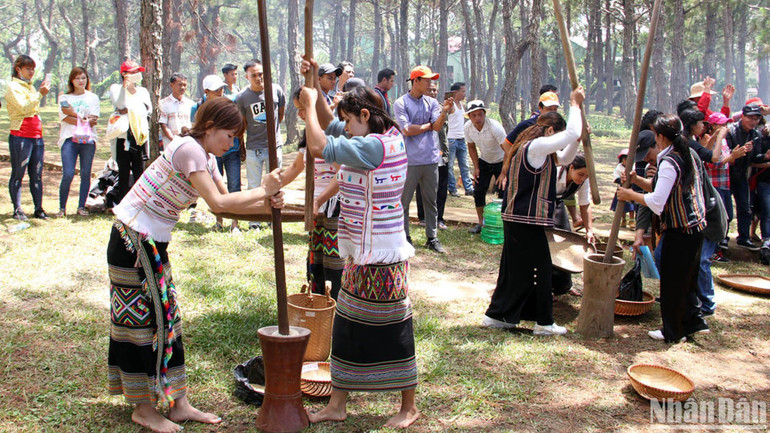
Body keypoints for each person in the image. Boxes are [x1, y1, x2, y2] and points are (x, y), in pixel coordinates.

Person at [107, 97, 284, 433]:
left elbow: (226, 207)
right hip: (133, 239)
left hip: (151, 242)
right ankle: (143, 408)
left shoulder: (207, 158)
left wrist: (267, 201)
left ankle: (179, 403)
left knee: (168, 318)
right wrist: (263, 190)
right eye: (230, 135)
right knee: (143, 324)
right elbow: (218, 202)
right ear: (210, 128)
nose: (232, 143)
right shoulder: (189, 148)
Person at [301, 81, 420, 429]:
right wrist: (315, 87)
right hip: (361, 255)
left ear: (365, 115)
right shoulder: (380, 135)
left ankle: (409, 407)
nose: (346, 128)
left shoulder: (374, 146)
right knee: (347, 326)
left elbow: (318, 144)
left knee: (394, 330)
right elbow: (330, 125)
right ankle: (337, 404)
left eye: (350, 121)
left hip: (384, 259)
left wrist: (308, 105)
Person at [482, 87, 585, 336]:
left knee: (518, 269)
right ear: (549, 131)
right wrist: (575, 104)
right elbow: (571, 132)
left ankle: (499, 316)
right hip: (524, 219)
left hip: (522, 218)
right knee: (540, 267)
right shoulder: (536, 146)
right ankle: (544, 322)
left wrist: (577, 140)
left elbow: (565, 158)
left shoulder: (537, 149)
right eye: (557, 136)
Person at [617, 114, 710, 343]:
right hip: (694, 226)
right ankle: (692, 322)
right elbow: (659, 186)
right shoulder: (685, 153)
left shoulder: (669, 161)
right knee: (686, 280)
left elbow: (658, 201)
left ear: (659, 136)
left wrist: (630, 195)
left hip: (681, 230)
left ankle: (673, 331)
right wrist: (637, 180)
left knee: (672, 282)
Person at [393, 66, 452, 253]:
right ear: (415, 81)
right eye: (427, 80)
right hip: (409, 160)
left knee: (431, 201)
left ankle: (432, 237)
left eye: (432, 80)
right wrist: (428, 125)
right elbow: (407, 130)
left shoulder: (432, 103)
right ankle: (404, 237)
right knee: (404, 202)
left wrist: (444, 112)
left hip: (430, 159)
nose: (430, 84)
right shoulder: (401, 103)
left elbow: (437, 127)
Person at [235, 59, 286, 230]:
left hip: (274, 146)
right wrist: (242, 146)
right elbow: (242, 124)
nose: (258, 78)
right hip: (253, 147)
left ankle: (273, 218)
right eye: (254, 75)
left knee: (275, 184)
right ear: (247, 77)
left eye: (261, 74)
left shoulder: (276, 90)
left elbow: (281, 114)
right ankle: (254, 221)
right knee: (254, 185)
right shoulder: (242, 97)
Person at [192, 74, 242, 232]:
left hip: (231, 153)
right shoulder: (193, 152)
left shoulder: (230, 104)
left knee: (234, 185)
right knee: (213, 187)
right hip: (212, 154)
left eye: (222, 89)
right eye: (216, 90)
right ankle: (219, 221)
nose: (220, 92)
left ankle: (235, 222)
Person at [5, 54, 51, 221]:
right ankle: (17, 209)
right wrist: (40, 94)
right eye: (28, 69)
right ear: (18, 69)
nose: (31, 72)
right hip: (21, 135)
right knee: (18, 173)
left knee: (37, 174)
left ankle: (38, 208)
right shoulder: (12, 86)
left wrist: (38, 94)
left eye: (33, 69)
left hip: (36, 135)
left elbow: (33, 108)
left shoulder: (30, 86)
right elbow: (23, 107)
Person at [55, 66, 100, 218]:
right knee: (68, 173)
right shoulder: (64, 97)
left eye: (83, 78)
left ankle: (81, 206)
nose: (81, 81)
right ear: (72, 81)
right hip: (69, 139)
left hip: (88, 140)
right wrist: (83, 118)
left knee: (85, 174)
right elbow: (65, 117)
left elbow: (93, 120)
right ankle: (62, 208)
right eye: (77, 78)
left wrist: (74, 115)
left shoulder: (93, 97)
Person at [110, 60, 152, 204]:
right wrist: (124, 88)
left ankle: (139, 202)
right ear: (124, 74)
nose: (136, 74)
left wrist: (130, 110)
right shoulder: (116, 88)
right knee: (123, 171)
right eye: (133, 72)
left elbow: (148, 110)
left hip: (139, 136)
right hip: (123, 137)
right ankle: (123, 202)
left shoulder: (143, 91)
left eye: (137, 72)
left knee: (139, 170)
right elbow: (120, 104)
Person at [464, 100, 506, 234]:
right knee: (478, 191)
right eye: (474, 115)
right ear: (469, 116)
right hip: (484, 161)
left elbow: (508, 150)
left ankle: (503, 225)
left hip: (501, 160)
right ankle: (481, 223)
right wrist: (476, 167)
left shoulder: (495, 127)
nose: (477, 118)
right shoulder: (467, 127)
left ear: (484, 114)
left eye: (480, 114)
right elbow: (471, 147)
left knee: (503, 193)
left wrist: (504, 173)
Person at [726, 103, 763, 250]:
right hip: (727, 173)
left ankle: (744, 237)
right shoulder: (731, 131)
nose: (753, 121)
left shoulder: (756, 134)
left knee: (745, 207)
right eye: (750, 118)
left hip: (742, 174)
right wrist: (741, 151)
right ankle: (722, 238)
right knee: (726, 208)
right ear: (742, 116)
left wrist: (765, 156)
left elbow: (756, 157)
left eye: (756, 118)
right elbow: (725, 153)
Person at [416, 81, 450, 230]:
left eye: (435, 90)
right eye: (430, 90)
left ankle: (439, 218)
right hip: (423, 154)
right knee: (422, 187)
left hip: (441, 153)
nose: (433, 93)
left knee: (441, 187)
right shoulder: (418, 107)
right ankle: (423, 217)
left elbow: (444, 130)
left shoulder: (443, 108)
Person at [446, 82, 473, 197]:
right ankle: (452, 188)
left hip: (462, 139)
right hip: (451, 139)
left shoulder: (462, 105)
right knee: (450, 166)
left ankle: (469, 188)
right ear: (455, 92)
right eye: (462, 91)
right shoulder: (450, 105)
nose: (464, 94)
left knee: (464, 165)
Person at [159, 73, 194, 150]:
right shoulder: (164, 103)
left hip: (188, 145)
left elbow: (194, 124)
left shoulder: (191, 104)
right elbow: (163, 125)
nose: (182, 87)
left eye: (185, 85)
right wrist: (174, 140)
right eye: (180, 85)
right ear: (171, 85)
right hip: (171, 146)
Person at [610, 149, 635, 228]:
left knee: (631, 206)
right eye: (624, 159)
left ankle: (632, 220)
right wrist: (621, 180)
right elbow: (615, 178)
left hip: (630, 189)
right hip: (621, 189)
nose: (626, 161)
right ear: (622, 160)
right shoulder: (618, 168)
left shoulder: (633, 167)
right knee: (621, 206)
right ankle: (623, 219)